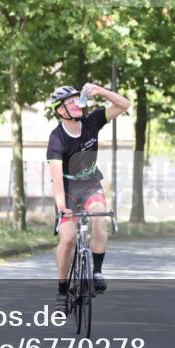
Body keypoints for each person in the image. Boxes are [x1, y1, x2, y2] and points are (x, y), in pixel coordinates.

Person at [47, 83, 131, 302]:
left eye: (78, 99)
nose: (77, 104)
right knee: (67, 239)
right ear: (60, 110)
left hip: (91, 184)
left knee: (99, 216)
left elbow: (125, 104)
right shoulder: (57, 138)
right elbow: (56, 178)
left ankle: (97, 272)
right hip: (67, 190)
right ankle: (63, 289)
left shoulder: (91, 121)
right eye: (70, 102)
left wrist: (101, 91)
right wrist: (62, 207)